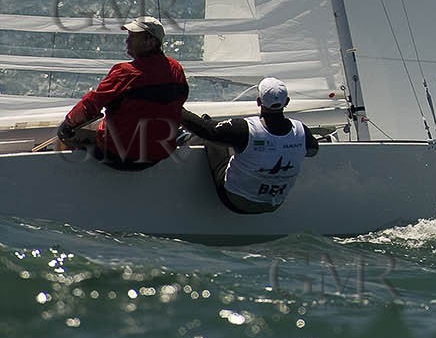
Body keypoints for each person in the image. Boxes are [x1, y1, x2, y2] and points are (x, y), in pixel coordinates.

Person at [56, 16, 188, 170]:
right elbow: (180, 100)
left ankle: (64, 177)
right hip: (158, 155)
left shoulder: (126, 73)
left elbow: (90, 105)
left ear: (150, 42)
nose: (127, 41)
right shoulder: (176, 68)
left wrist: (67, 124)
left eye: (133, 37)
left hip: (120, 156)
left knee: (65, 133)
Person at [180, 77, 319, 214]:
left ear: (259, 102)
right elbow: (312, 151)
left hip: (235, 200)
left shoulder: (246, 129)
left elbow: (207, 130)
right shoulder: (302, 131)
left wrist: (176, 108)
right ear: (287, 102)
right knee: (238, 145)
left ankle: (184, 140)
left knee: (212, 137)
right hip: (273, 204)